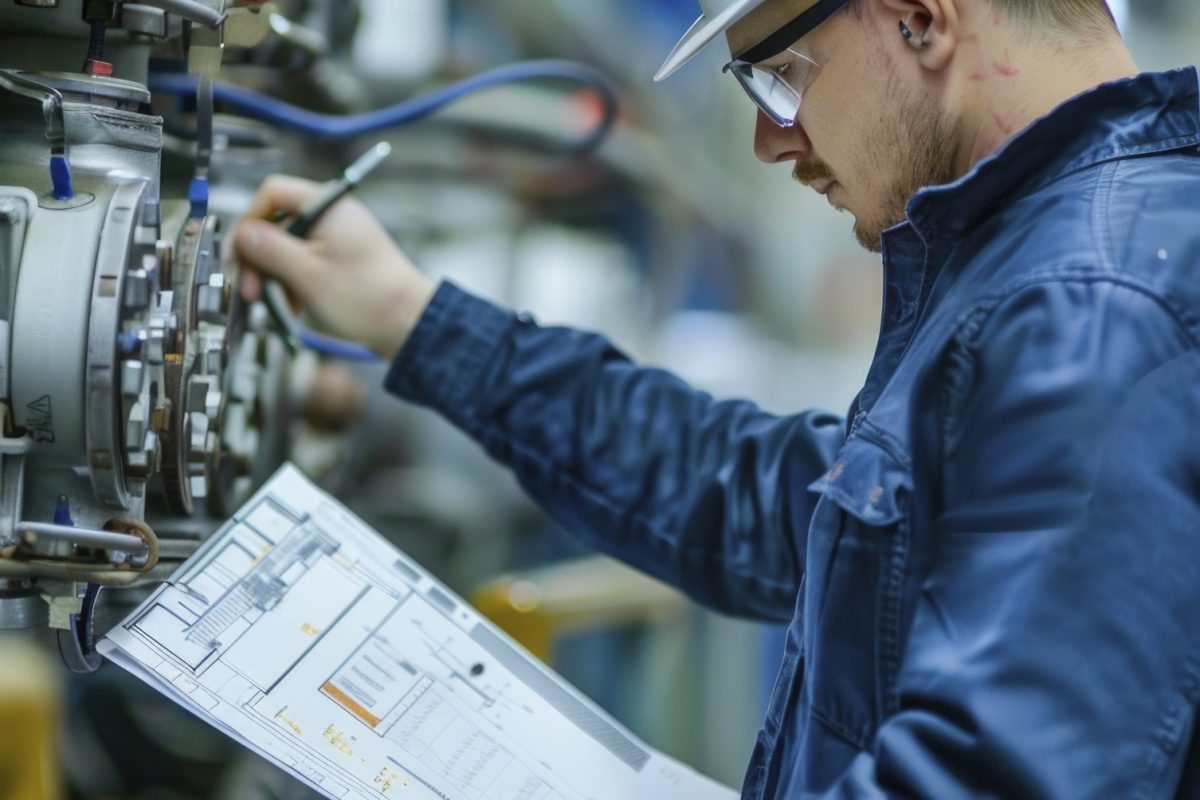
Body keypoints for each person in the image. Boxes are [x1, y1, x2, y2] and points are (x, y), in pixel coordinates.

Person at [232, 0, 1200, 795]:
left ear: (921, 17)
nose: (769, 140)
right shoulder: (1046, 258)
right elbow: (774, 498)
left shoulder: (1091, 303)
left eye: (781, 75)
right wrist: (415, 317)